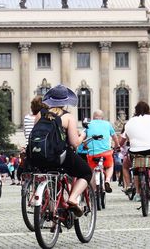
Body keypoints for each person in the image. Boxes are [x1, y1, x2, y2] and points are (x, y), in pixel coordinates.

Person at [32, 84, 92, 217]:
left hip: (38, 156)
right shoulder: (68, 117)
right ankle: (73, 198)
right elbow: (74, 143)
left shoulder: (39, 114)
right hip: (58, 157)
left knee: (52, 176)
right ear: (65, 101)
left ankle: (53, 208)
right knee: (86, 172)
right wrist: (82, 135)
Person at [120, 101, 150, 200]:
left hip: (135, 150)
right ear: (148, 109)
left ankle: (137, 193)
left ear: (135, 110)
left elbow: (123, 139)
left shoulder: (130, 121)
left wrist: (119, 145)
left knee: (136, 169)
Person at [86, 109, 120, 193]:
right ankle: (107, 180)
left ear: (93, 117)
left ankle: (92, 191)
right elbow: (115, 137)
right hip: (106, 153)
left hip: (92, 154)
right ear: (102, 118)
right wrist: (117, 146)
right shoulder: (107, 124)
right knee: (110, 166)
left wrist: (85, 146)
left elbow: (85, 139)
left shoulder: (88, 124)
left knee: (91, 170)